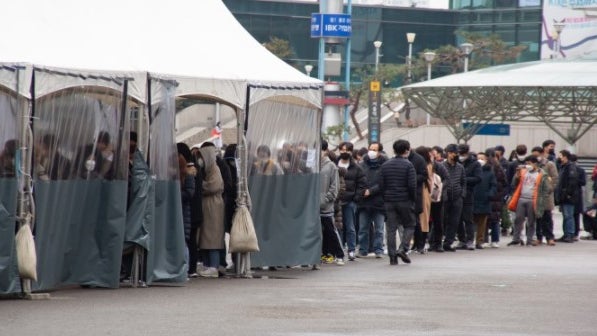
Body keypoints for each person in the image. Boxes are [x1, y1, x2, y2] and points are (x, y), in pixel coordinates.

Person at [379, 139, 415, 266]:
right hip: (404, 200)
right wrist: (413, 199)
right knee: (410, 225)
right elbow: (412, 185)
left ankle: (392, 257)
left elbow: (381, 185)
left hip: (389, 200)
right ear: (407, 150)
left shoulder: (385, 165)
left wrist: (386, 197)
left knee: (391, 229)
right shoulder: (408, 165)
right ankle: (403, 249)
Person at [507, 155, 550, 246]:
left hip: (533, 199)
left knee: (531, 221)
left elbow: (547, 188)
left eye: (529, 163)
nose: (527, 165)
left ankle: (529, 239)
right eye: (526, 164)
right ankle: (516, 238)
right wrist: (517, 175)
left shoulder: (541, 174)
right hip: (522, 198)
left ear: (535, 163)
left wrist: (542, 198)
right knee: (518, 219)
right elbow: (514, 184)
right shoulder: (523, 172)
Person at [197, 146, 226, 277]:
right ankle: (208, 265)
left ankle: (213, 266)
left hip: (213, 206)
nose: (200, 160)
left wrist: (200, 184)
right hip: (208, 206)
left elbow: (213, 186)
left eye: (202, 157)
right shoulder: (208, 170)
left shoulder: (215, 169)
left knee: (212, 238)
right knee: (205, 237)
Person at [336, 141, 367, 261]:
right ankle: (339, 250)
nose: (344, 152)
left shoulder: (357, 168)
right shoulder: (334, 164)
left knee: (350, 226)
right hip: (336, 201)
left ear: (351, 151)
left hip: (350, 201)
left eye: (347, 150)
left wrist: (356, 198)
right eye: (342, 150)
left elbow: (362, 184)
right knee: (338, 227)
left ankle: (351, 250)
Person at [357, 142, 387, 258]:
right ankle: (363, 249)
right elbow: (358, 180)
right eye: (370, 149)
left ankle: (378, 250)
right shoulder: (361, 165)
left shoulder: (384, 165)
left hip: (379, 202)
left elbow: (384, 183)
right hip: (364, 202)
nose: (372, 152)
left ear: (379, 152)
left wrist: (371, 191)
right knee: (363, 228)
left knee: (379, 229)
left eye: (375, 149)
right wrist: (363, 191)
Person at [319, 140, 344, 266]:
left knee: (331, 230)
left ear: (324, 150)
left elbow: (335, 186)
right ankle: (323, 254)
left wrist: (326, 199)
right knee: (320, 232)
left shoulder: (331, 166)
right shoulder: (313, 164)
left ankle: (340, 254)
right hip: (314, 205)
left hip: (326, 205)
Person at [440, 144, 466, 252]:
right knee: (441, 220)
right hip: (444, 198)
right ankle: (435, 241)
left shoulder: (460, 167)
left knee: (454, 221)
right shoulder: (441, 166)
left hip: (457, 198)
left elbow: (464, 181)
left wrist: (462, 194)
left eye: (456, 153)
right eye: (452, 153)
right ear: (448, 153)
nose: (454, 155)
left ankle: (448, 243)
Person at [456, 144, 481, 250]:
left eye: (462, 153)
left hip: (468, 194)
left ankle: (470, 240)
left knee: (468, 218)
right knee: (457, 218)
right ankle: (461, 240)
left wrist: (463, 179)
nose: (461, 155)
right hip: (456, 193)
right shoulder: (456, 162)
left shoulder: (475, 164)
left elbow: (478, 178)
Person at [532, 146, 558, 246]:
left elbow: (555, 178)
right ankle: (539, 237)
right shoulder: (533, 165)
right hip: (535, 195)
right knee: (538, 217)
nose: (535, 157)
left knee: (547, 217)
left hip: (546, 195)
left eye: (537, 155)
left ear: (542, 153)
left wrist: (549, 190)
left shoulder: (549, 164)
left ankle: (549, 237)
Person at [177, 143, 196, 275]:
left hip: (184, 212)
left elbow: (190, 193)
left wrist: (175, 195)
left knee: (184, 241)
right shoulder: (174, 175)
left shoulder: (188, 174)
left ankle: (185, 269)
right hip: (181, 212)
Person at [472, 152, 496, 249]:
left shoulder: (490, 173)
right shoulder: (473, 170)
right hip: (473, 198)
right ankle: (470, 239)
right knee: (471, 221)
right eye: (478, 158)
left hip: (484, 200)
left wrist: (489, 195)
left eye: (482, 159)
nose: (480, 161)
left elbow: (493, 186)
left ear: (486, 160)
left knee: (482, 223)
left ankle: (479, 241)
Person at [555, 150, 580, 243]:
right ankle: (566, 234)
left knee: (569, 215)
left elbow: (572, 181)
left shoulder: (570, 167)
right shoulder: (563, 166)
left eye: (560, 156)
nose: (559, 157)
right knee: (565, 216)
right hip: (563, 195)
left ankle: (570, 234)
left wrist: (568, 193)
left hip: (568, 196)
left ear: (565, 157)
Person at [408, 144, 429, 253]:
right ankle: (410, 244)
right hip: (402, 194)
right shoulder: (399, 158)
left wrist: (411, 179)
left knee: (416, 221)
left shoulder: (418, 159)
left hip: (415, 193)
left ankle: (419, 244)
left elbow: (424, 175)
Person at [485, 148, 507, 248]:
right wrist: (501, 194)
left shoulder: (485, 167)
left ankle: (484, 239)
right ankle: (495, 240)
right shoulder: (500, 168)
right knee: (495, 219)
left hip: (487, 196)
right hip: (497, 197)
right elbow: (505, 183)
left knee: (484, 218)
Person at [413, 146, 433, 254]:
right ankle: (418, 243)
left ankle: (421, 243)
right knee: (420, 219)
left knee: (423, 219)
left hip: (424, 192)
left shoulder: (427, 166)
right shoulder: (428, 164)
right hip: (424, 192)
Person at [570, 154, 586, 241]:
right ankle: (570, 232)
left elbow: (583, 182)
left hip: (577, 194)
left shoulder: (580, 171)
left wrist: (575, 179)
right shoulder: (565, 169)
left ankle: (575, 233)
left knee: (575, 214)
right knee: (569, 215)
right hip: (569, 195)